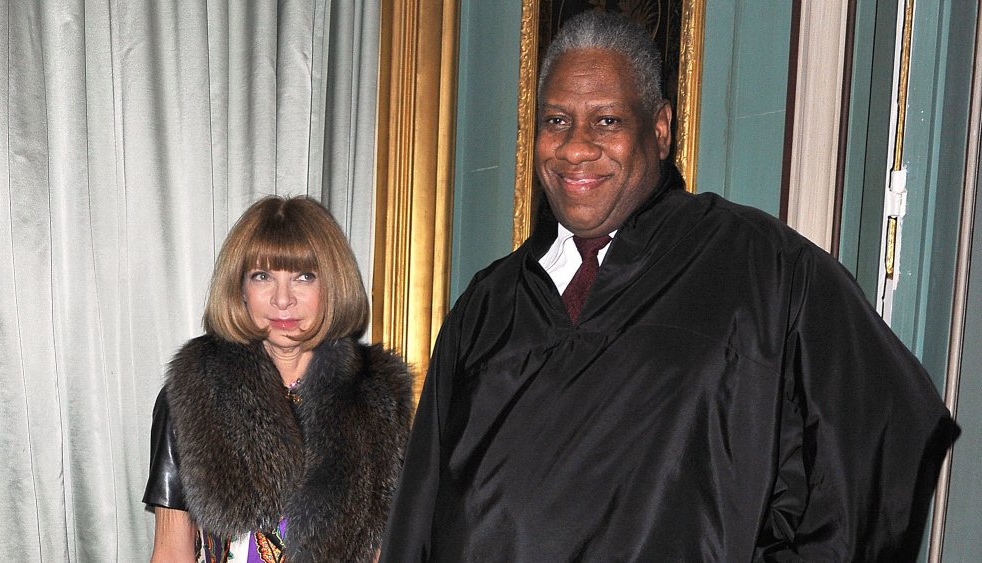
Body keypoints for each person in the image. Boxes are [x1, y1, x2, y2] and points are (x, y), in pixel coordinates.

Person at [380, 11, 957, 562]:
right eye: (557, 120)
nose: (576, 146)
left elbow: (886, 438)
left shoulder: (759, 268)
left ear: (659, 130)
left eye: (607, 120)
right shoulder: (487, 305)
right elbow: (422, 515)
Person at [143, 195, 412, 562]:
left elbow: (384, 549)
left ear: (332, 285)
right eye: (262, 276)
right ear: (240, 288)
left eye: (304, 276)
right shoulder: (193, 390)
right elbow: (171, 551)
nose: (282, 300)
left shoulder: (376, 396)